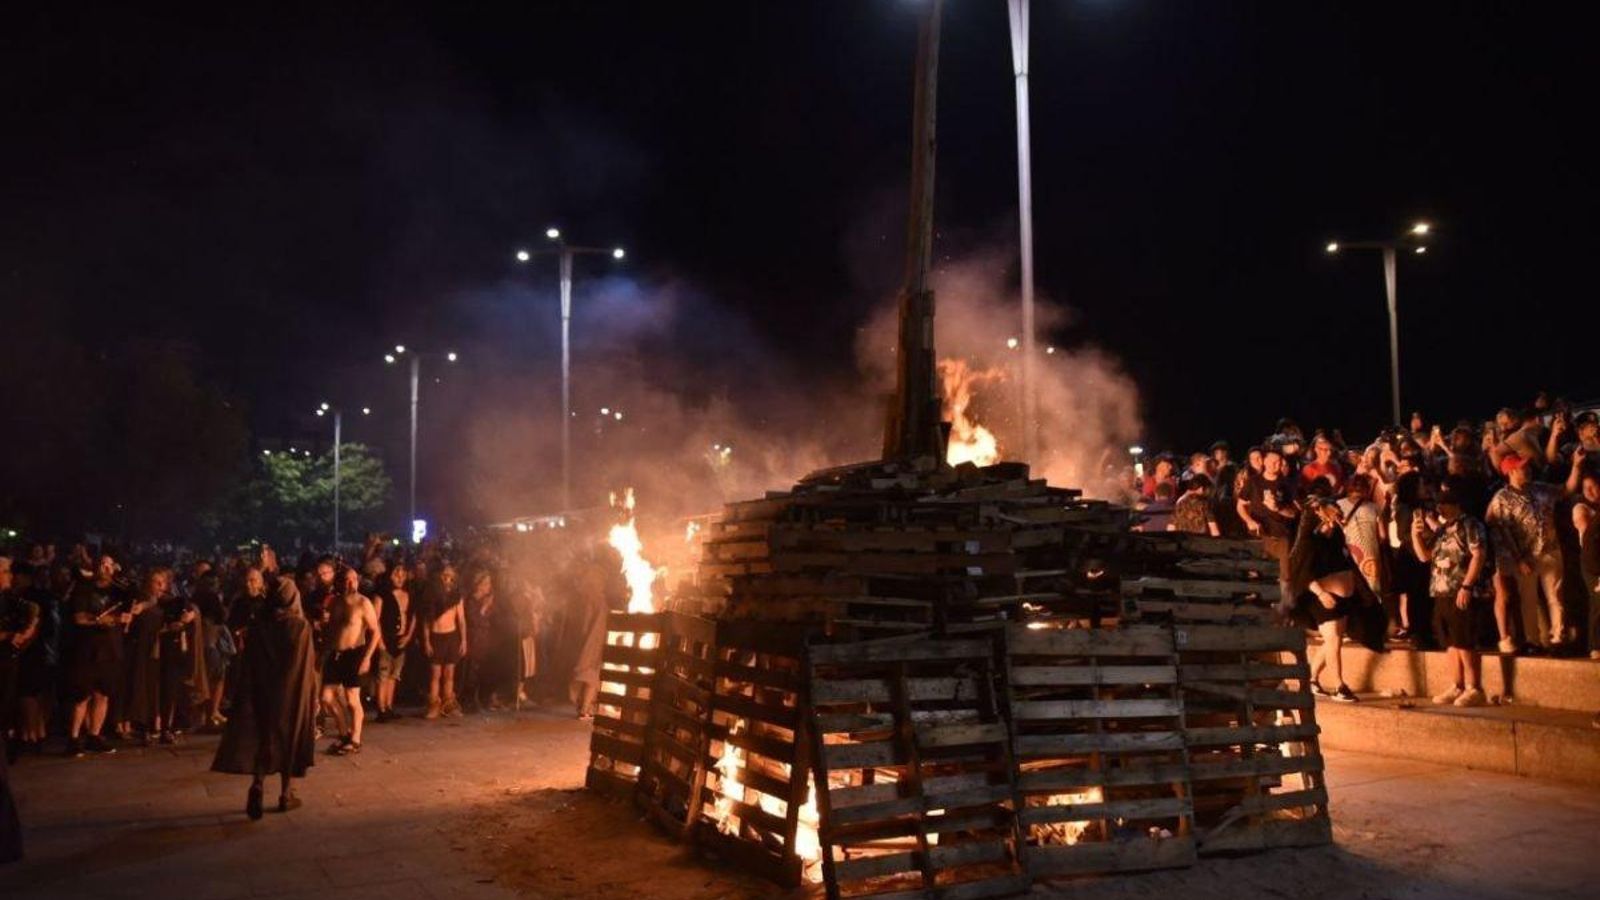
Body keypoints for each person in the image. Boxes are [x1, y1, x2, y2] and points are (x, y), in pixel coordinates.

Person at [212, 576, 318, 819]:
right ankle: (285, 793)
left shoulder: (260, 624)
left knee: (265, 739)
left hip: (263, 691)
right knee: (289, 740)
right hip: (291, 693)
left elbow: (251, 661)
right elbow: (304, 666)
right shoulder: (299, 627)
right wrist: (311, 694)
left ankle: (258, 783)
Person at [1413, 477, 1492, 707]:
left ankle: (1473, 687)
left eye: (1443, 504)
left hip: (1461, 589)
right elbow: (1424, 556)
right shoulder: (1442, 530)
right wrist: (1417, 535)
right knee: (1450, 641)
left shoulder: (1470, 525)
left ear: (1455, 505)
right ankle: (1456, 684)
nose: (1439, 508)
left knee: (1464, 641)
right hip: (1440, 590)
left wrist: (1467, 585)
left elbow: (1479, 554)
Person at [1485, 452, 1572, 651]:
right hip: (1526, 556)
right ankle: (1533, 640)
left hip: (1550, 550)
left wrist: (1576, 465)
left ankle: (1558, 636)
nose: (1528, 470)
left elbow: (1565, 490)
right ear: (1512, 472)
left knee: (1556, 596)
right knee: (1528, 599)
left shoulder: (1539, 488)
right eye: (1523, 467)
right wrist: (1518, 558)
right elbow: (1503, 530)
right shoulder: (1502, 498)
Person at [1288, 495, 1363, 702]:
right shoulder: (1308, 541)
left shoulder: (1335, 535)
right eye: (1330, 511)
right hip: (1320, 596)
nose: (1336, 511)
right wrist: (1321, 593)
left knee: (1333, 640)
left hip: (1342, 596)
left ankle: (1311, 678)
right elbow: (1301, 572)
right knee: (1333, 639)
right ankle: (1339, 685)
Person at [65, 555, 129, 756]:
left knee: (103, 694)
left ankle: (95, 735)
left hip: (111, 650)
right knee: (82, 695)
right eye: (103, 564)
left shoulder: (118, 591)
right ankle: (74, 738)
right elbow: (78, 617)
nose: (107, 568)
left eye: (110, 565)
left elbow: (139, 598)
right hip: (88, 650)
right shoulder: (85, 589)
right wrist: (99, 620)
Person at [319, 568, 380, 754]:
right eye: (347, 579)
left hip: (355, 653)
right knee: (326, 697)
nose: (351, 583)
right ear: (340, 582)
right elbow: (330, 631)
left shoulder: (363, 603)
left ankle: (355, 739)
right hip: (336, 654)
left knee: (353, 699)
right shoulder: (335, 602)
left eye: (354, 579)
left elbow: (375, 632)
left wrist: (367, 658)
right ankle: (344, 733)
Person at [1239, 447, 1300, 609]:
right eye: (1272, 461)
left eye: (1279, 462)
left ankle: (1286, 609)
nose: (1276, 465)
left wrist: (1278, 508)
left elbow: (1294, 513)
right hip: (1258, 535)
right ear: (1264, 462)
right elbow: (1240, 505)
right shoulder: (1253, 482)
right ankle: (1255, 606)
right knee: (1256, 569)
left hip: (1281, 535)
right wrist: (1249, 520)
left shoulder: (1286, 484)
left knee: (1285, 574)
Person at [422, 564, 466, 719]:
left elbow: (461, 620)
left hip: (451, 637)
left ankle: (448, 705)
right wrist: (426, 641)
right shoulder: (432, 595)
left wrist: (464, 640)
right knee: (436, 674)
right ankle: (434, 704)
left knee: (449, 674)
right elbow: (427, 620)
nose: (447, 578)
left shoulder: (456, 596)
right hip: (436, 637)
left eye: (450, 575)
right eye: (444, 575)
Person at [372, 561, 415, 722]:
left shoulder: (408, 595)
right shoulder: (382, 595)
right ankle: (381, 708)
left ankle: (389, 707)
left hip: (401, 640)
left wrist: (408, 636)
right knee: (383, 675)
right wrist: (380, 641)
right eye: (396, 574)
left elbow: (412, 617)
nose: (400, 578)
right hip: (386, 639)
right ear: (390, 575)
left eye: (403, 575)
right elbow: (375, 619)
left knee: (394, 676)